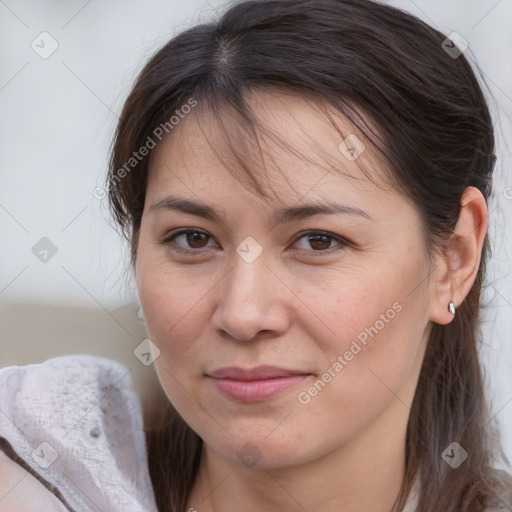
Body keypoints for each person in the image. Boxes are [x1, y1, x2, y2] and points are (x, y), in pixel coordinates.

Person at [1, 0, 511, 511]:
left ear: (453, 258)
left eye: (318, 241)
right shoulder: (36, 478)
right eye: (193, 239)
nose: (243, 314)